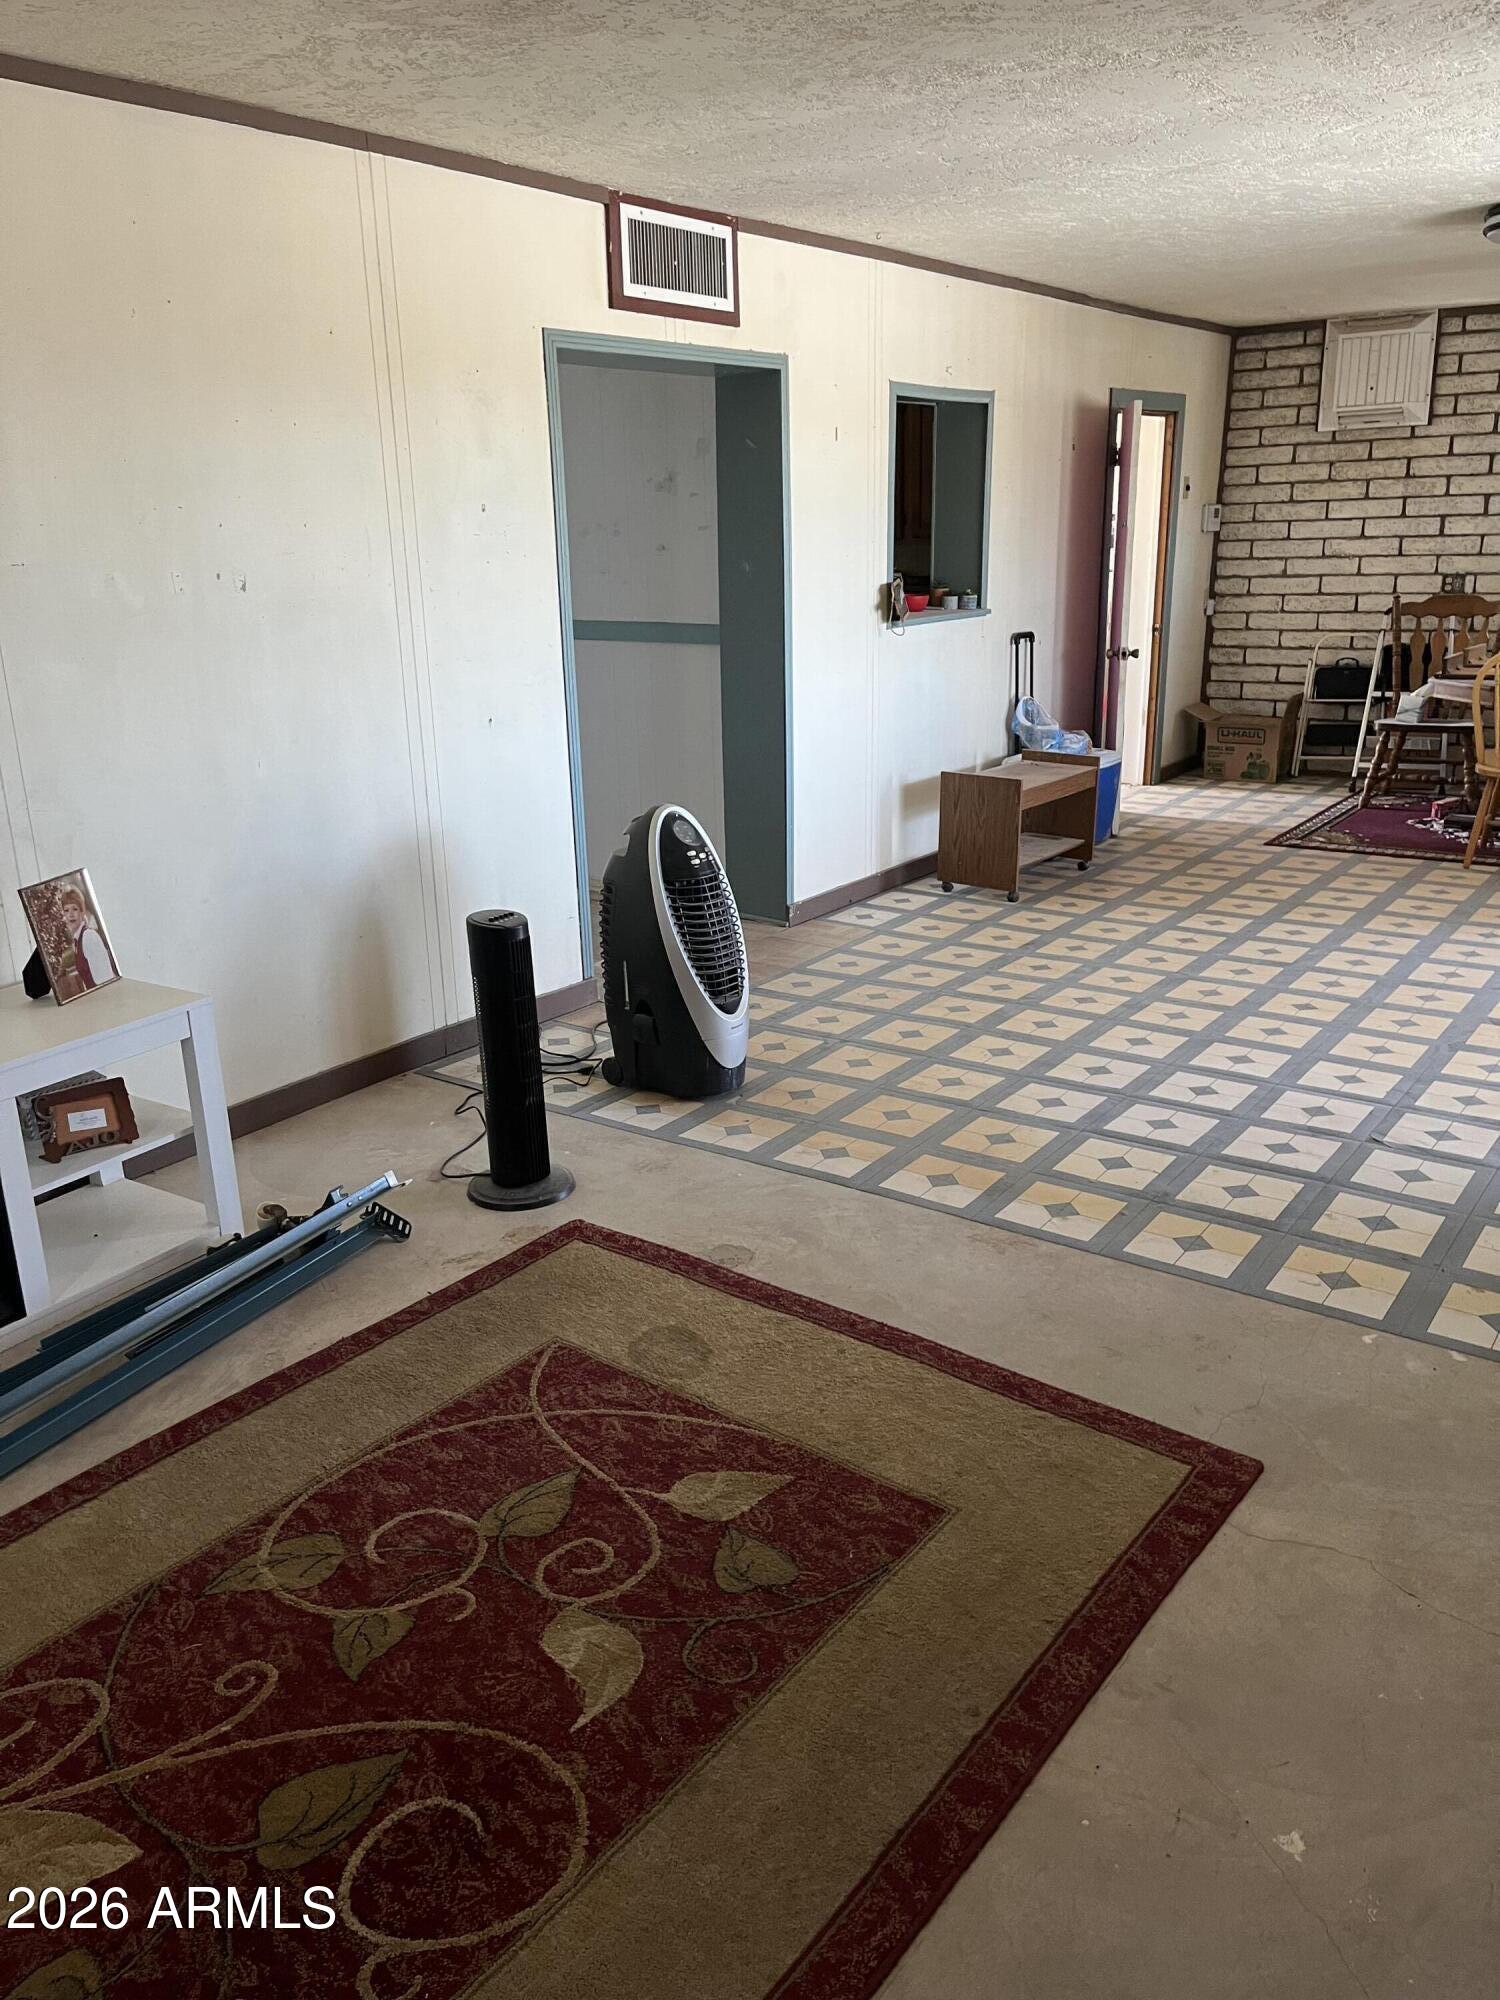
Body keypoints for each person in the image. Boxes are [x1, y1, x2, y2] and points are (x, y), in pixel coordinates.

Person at [57, 883, 114, 991]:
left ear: (82, 911)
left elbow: (104, 980)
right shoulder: (77, 941)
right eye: (66, 910)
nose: (71, 914)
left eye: (75, 909)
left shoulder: (89, 937)